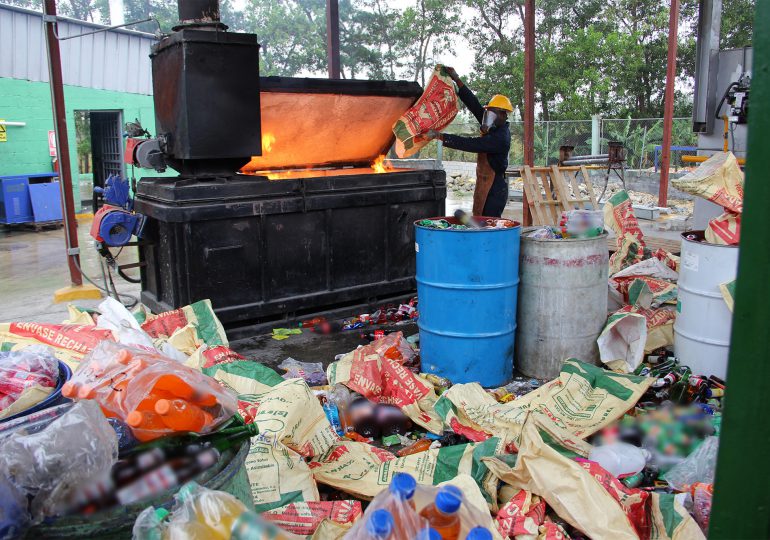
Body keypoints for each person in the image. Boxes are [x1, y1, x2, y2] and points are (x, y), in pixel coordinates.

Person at [421, 67, 513, 217]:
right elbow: (474, 104)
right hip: (484, 185)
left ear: (503, 114)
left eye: (492, 113)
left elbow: (470, 144)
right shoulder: (493, 125)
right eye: (488, 112)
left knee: (489, 225)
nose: (487, 116)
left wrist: (440, 136)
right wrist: (457, 79)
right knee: (479, 219)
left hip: (495, 189)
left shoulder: (500, 138)